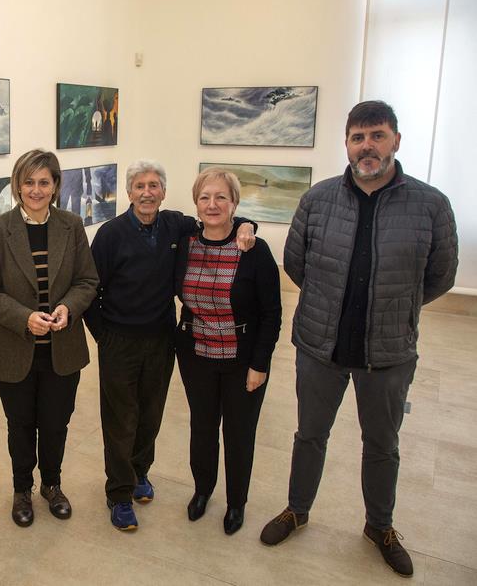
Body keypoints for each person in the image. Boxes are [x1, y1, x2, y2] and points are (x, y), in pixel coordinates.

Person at [260, 101, 458, 578]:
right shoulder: (318, 199)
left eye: (377, 135)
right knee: (309, 435)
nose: (367, 145)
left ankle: (379, 526)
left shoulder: (430, 205)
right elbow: (296, 263)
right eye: (358, 137)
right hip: (319, 347)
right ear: (346, 144)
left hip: (388, 353)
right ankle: (297, 509)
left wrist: (396, 308)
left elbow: (441, 276)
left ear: (396, 141)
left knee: (383, 444)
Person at [83, 160, 255, 531]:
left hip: (162, 340)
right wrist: (104, 337)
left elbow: (217, 220)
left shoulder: (175, 225)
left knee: (150, 414)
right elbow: (88, 290)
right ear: (129, 193)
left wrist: (247, 225)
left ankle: (140, 472)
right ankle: (119, 493)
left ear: (163, 192)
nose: (147, 192)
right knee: (120, 420)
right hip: (119, 340)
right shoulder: (110, 235)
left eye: (154, 186)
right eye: (140, 186)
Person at [0, 149, 98, 527]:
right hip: (13, 349)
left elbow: (87, 281)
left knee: (57, 423)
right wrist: (25, 318)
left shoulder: (71, 225)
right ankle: (22, 489)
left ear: (56, 186)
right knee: (21, 424)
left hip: (62, 348)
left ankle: (52, 485)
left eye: (44, 182)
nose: (36, 190)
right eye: (29, 182)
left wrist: (68, 309)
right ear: (17, 185)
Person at [175, 168, 281, 535]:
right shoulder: (185, 240)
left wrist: (260, 364)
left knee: (238, 434)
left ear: (235, 202)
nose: (213, 204)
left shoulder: (254, 249)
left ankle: (237, 503)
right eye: (205, 197)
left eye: (222, 197)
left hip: (242, 360)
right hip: (195, 356)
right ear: (196, 203)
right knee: (202, 428)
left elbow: (272, 313)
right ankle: (203, 491)